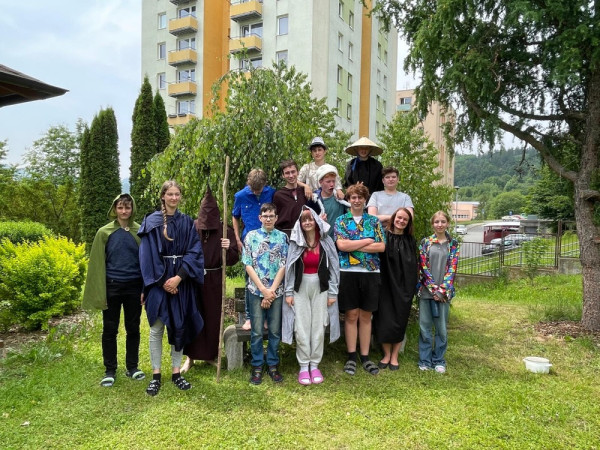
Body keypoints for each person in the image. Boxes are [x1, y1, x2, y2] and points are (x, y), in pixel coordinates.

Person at [138, 180, 205, 396]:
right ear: (163, 196)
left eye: (177, 194)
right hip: (158, 284)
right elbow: (147, 256)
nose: (174, 198)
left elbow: (194, 252)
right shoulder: (151, 222)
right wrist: (163, 283)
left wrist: (178, 278)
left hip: (181, 282)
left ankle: (176, 373)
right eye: (170, 194)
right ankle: (156, 375)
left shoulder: (187, 222)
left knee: (179, 325)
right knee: (156, 328)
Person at [82, 193, 145, 387]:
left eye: (127, 207)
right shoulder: (104, 232)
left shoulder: (140, 231)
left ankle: (132, 367)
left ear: (132, 209)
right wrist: (100, 291)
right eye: (120, 207)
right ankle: (110, 370)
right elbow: (97, 264)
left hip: (134, 286)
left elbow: (146, 262)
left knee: (133, 328)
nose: (124, 211)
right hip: (112, 286)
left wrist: (145, 288)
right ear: (115, 209)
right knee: (110, 329)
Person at [181, 188, 239, 372]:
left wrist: (228, 247)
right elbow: (183, 251)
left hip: (215, 279)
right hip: (194, 278)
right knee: (193, 316)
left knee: (213, 317)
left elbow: (233, 259)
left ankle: (210, 355)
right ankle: (190, 357)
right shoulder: (192, 227)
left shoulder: (224, 230)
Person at [282, 206, 340, 385]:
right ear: (300, 223)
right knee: (301, 327)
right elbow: (290, 269)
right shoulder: (296, 242)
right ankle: (303, 366)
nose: (307, 222)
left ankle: (314, 365)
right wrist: (289, 292)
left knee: (318, 326)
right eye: (304, 220)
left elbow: (334, 267)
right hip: (300, 288)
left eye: (310, 219)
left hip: (320, 287)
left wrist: (333, 292)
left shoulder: (326, 240)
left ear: (316, 221)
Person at [334, 183, 386, 376]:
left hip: (370, 273)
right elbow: (341, 246)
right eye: (353, 197)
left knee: (365, 315)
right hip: (348, 272)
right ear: (348, 200)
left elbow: (381, 247)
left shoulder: (373, 221)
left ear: (365, 200)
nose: (356, 201)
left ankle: (365, 356)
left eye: (360, 197)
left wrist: (353, 245)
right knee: (351, 315)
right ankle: (351, 356)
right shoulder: (341, 220)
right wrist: (366, 241)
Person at [242, 203, 288, 385]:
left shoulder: (282, 238)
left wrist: (271, 291)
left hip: (276, 291)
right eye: (265, 216)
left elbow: (284, 264)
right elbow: (248, 264)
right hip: (256, 290)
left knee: (275, 331)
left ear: (276, 218)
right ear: (260, 218)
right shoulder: (251, 236)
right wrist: (263, 290)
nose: (268, 219)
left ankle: (273, 364)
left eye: (271, 216)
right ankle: (257, 365)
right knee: (257, 331)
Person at [374, 207, 418, 371]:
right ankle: (386, 354)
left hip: (404, 286)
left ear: (408, 223)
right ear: (393, 218)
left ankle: (395, 356)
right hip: (385, 284)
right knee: (384, 319)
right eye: (399, 217)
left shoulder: (410, 240)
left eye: (405, 219)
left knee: (400, 319)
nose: (401, 221)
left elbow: (414, 265)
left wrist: (411, 286)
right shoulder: (383, 236)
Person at [232, 168, 275, 331]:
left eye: (260, 189)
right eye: (254, 189)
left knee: (269, 279)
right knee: (249, 280)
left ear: (265, 184)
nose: (257, 192)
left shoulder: (271, 193)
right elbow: (235, 216)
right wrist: (237, 239)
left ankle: (266, 317)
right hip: (249, 243)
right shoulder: (240, 196)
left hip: (269, 242)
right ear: (249, 184)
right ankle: (250, 318)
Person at [418, 210, 459, 374]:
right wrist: (433, 289)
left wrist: (441, 291)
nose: (440, 225)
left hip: (444, 295)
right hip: (426, 292)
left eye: (443, 221)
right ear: (432, 224)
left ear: (447, 223)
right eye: (437, 222)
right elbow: (423, 267)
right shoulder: (425, 242)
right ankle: (425, 360)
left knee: (441, 329)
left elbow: (452, 269)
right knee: (425, 327)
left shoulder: (453, 244)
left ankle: (439, 360)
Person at [273, 159, 323, 237]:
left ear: (298, 172)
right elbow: (275, 218)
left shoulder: (306, 192)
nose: (291, 175)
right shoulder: (278, 195)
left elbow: (315, 213)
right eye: (287, 173)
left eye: (293, 172)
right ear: (283, 175)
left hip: (305, 234)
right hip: (286, 235)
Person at [314, 164, 349, 238]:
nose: (332, 184)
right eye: (328, 182)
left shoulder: (340, 198)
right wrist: (319, 221)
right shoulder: (314, 201)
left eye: (333, 181)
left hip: (341, 240)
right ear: (320, 182)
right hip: (322, 240)